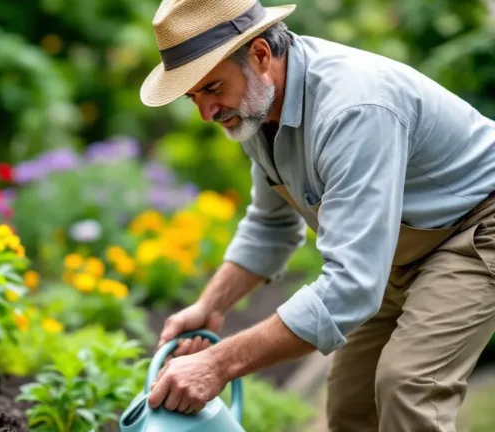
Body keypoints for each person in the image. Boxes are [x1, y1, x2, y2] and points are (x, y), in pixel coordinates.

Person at [139, 0, 495, 430]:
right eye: (194, 96)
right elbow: (270, 226)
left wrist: (217, 364)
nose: (206, 112)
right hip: (397, 248)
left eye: (212, 88)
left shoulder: (352, 109)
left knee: (409, 386)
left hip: (477, 227)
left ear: (260, 55)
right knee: (351, 403)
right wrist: (209, 307)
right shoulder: (256, 105)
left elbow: (351, 287)